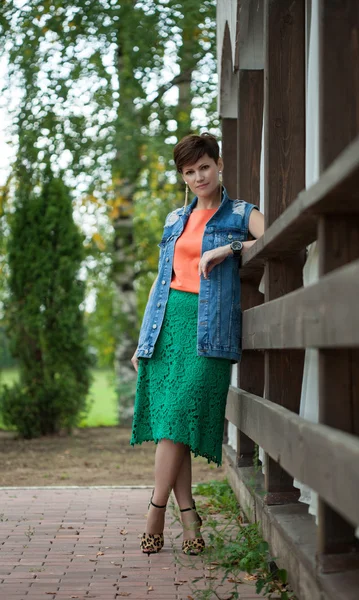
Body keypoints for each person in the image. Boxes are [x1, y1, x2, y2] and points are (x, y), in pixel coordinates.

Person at [130, 132, 265, 556]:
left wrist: (231, 248)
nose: (198, 177)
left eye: (204, 167)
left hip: (210, 330)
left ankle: (155, 510)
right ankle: (189, 519)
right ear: (183, 176)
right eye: (189, 172)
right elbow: (160, 280)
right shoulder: (175, 220)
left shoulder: (242, 213)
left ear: (219, 164)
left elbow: (277, 238)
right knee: (175, 423)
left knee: (182, 413)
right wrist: (142, 340)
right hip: (167, 325)